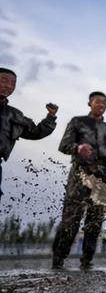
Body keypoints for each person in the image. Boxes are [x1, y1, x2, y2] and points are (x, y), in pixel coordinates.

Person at [52, 91, 106, 270]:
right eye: (97, 101)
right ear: (89, 103)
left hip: (101, 177)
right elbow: (63, 145)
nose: (101, 104)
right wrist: (78, 147)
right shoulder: (77, 122)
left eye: (104, 102)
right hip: (81, 174)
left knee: (95, 219)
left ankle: (87, 260)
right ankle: (58, 259)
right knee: (71, 217)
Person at [0, 67, 58, 201]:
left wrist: (51, 116)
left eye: (12, 83)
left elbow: (36, 132)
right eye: (3, 81)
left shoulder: (14, 115)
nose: (8, 86)